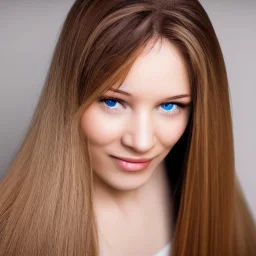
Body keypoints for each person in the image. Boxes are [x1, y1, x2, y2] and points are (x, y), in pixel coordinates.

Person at [0, 0, 255, 255]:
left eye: (169, 106)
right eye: (113, 102)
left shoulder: (215, 199)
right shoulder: (11, 236)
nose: (141, 142)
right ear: (69, 95)